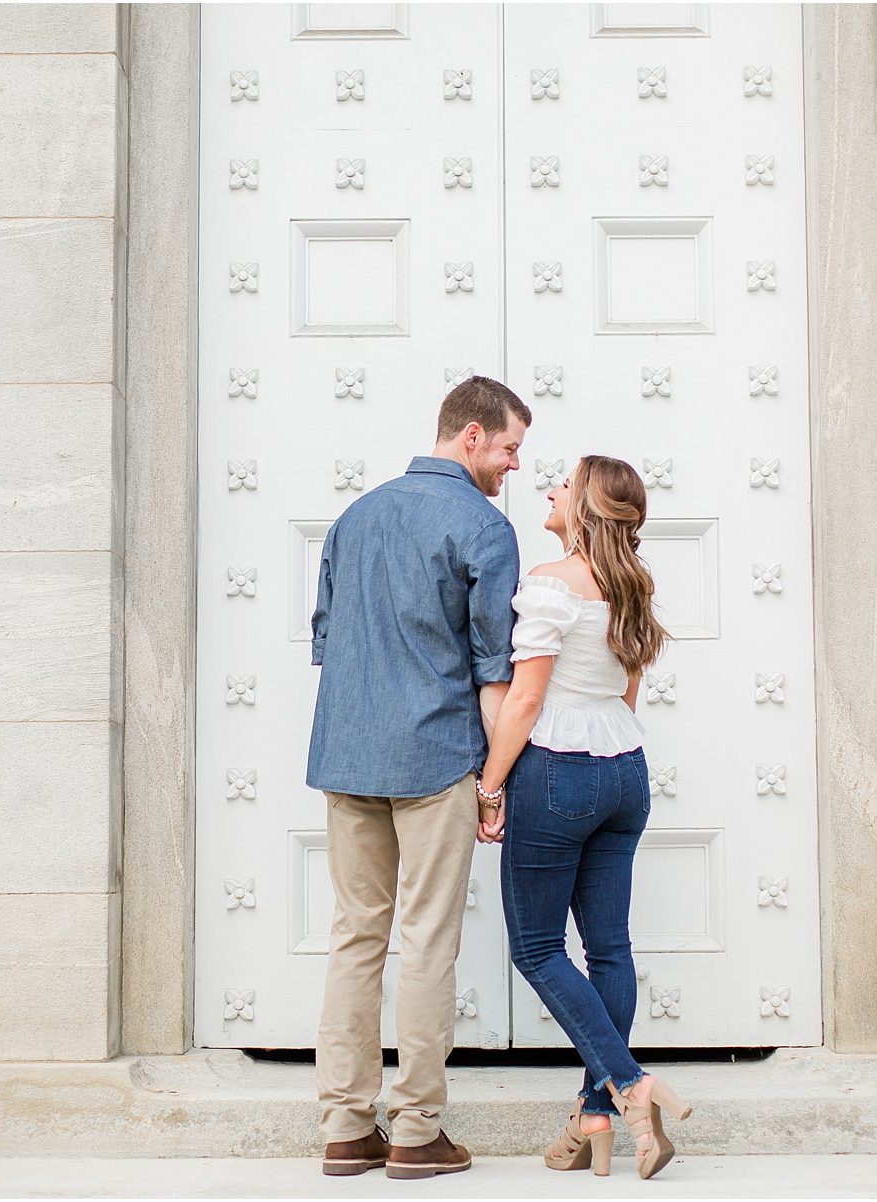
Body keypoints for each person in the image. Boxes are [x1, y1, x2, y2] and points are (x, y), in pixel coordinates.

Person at [308, 376, 532, 1180]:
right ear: (470, 436)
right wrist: (494, 779)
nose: (513, 465)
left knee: (355, 935)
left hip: (347, 754)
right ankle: (415, 1130)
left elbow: (328, 640)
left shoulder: (354, 517)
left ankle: (342, 1126)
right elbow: (493, 671)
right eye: (508, 447)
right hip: (434, 757)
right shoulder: (484, 526)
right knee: (427, 938)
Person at [476, 455, 693, 1180]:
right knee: (609, 948)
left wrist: (491, 784)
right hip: (623, 770)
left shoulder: (549, 583)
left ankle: (631, 1085)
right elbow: (627, 694)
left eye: (562, 484)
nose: (549, 490)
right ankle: (594, 1112)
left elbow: (527, 701)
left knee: (536, 949)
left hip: (557, 767)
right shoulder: (633, 583)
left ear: (587, 506)